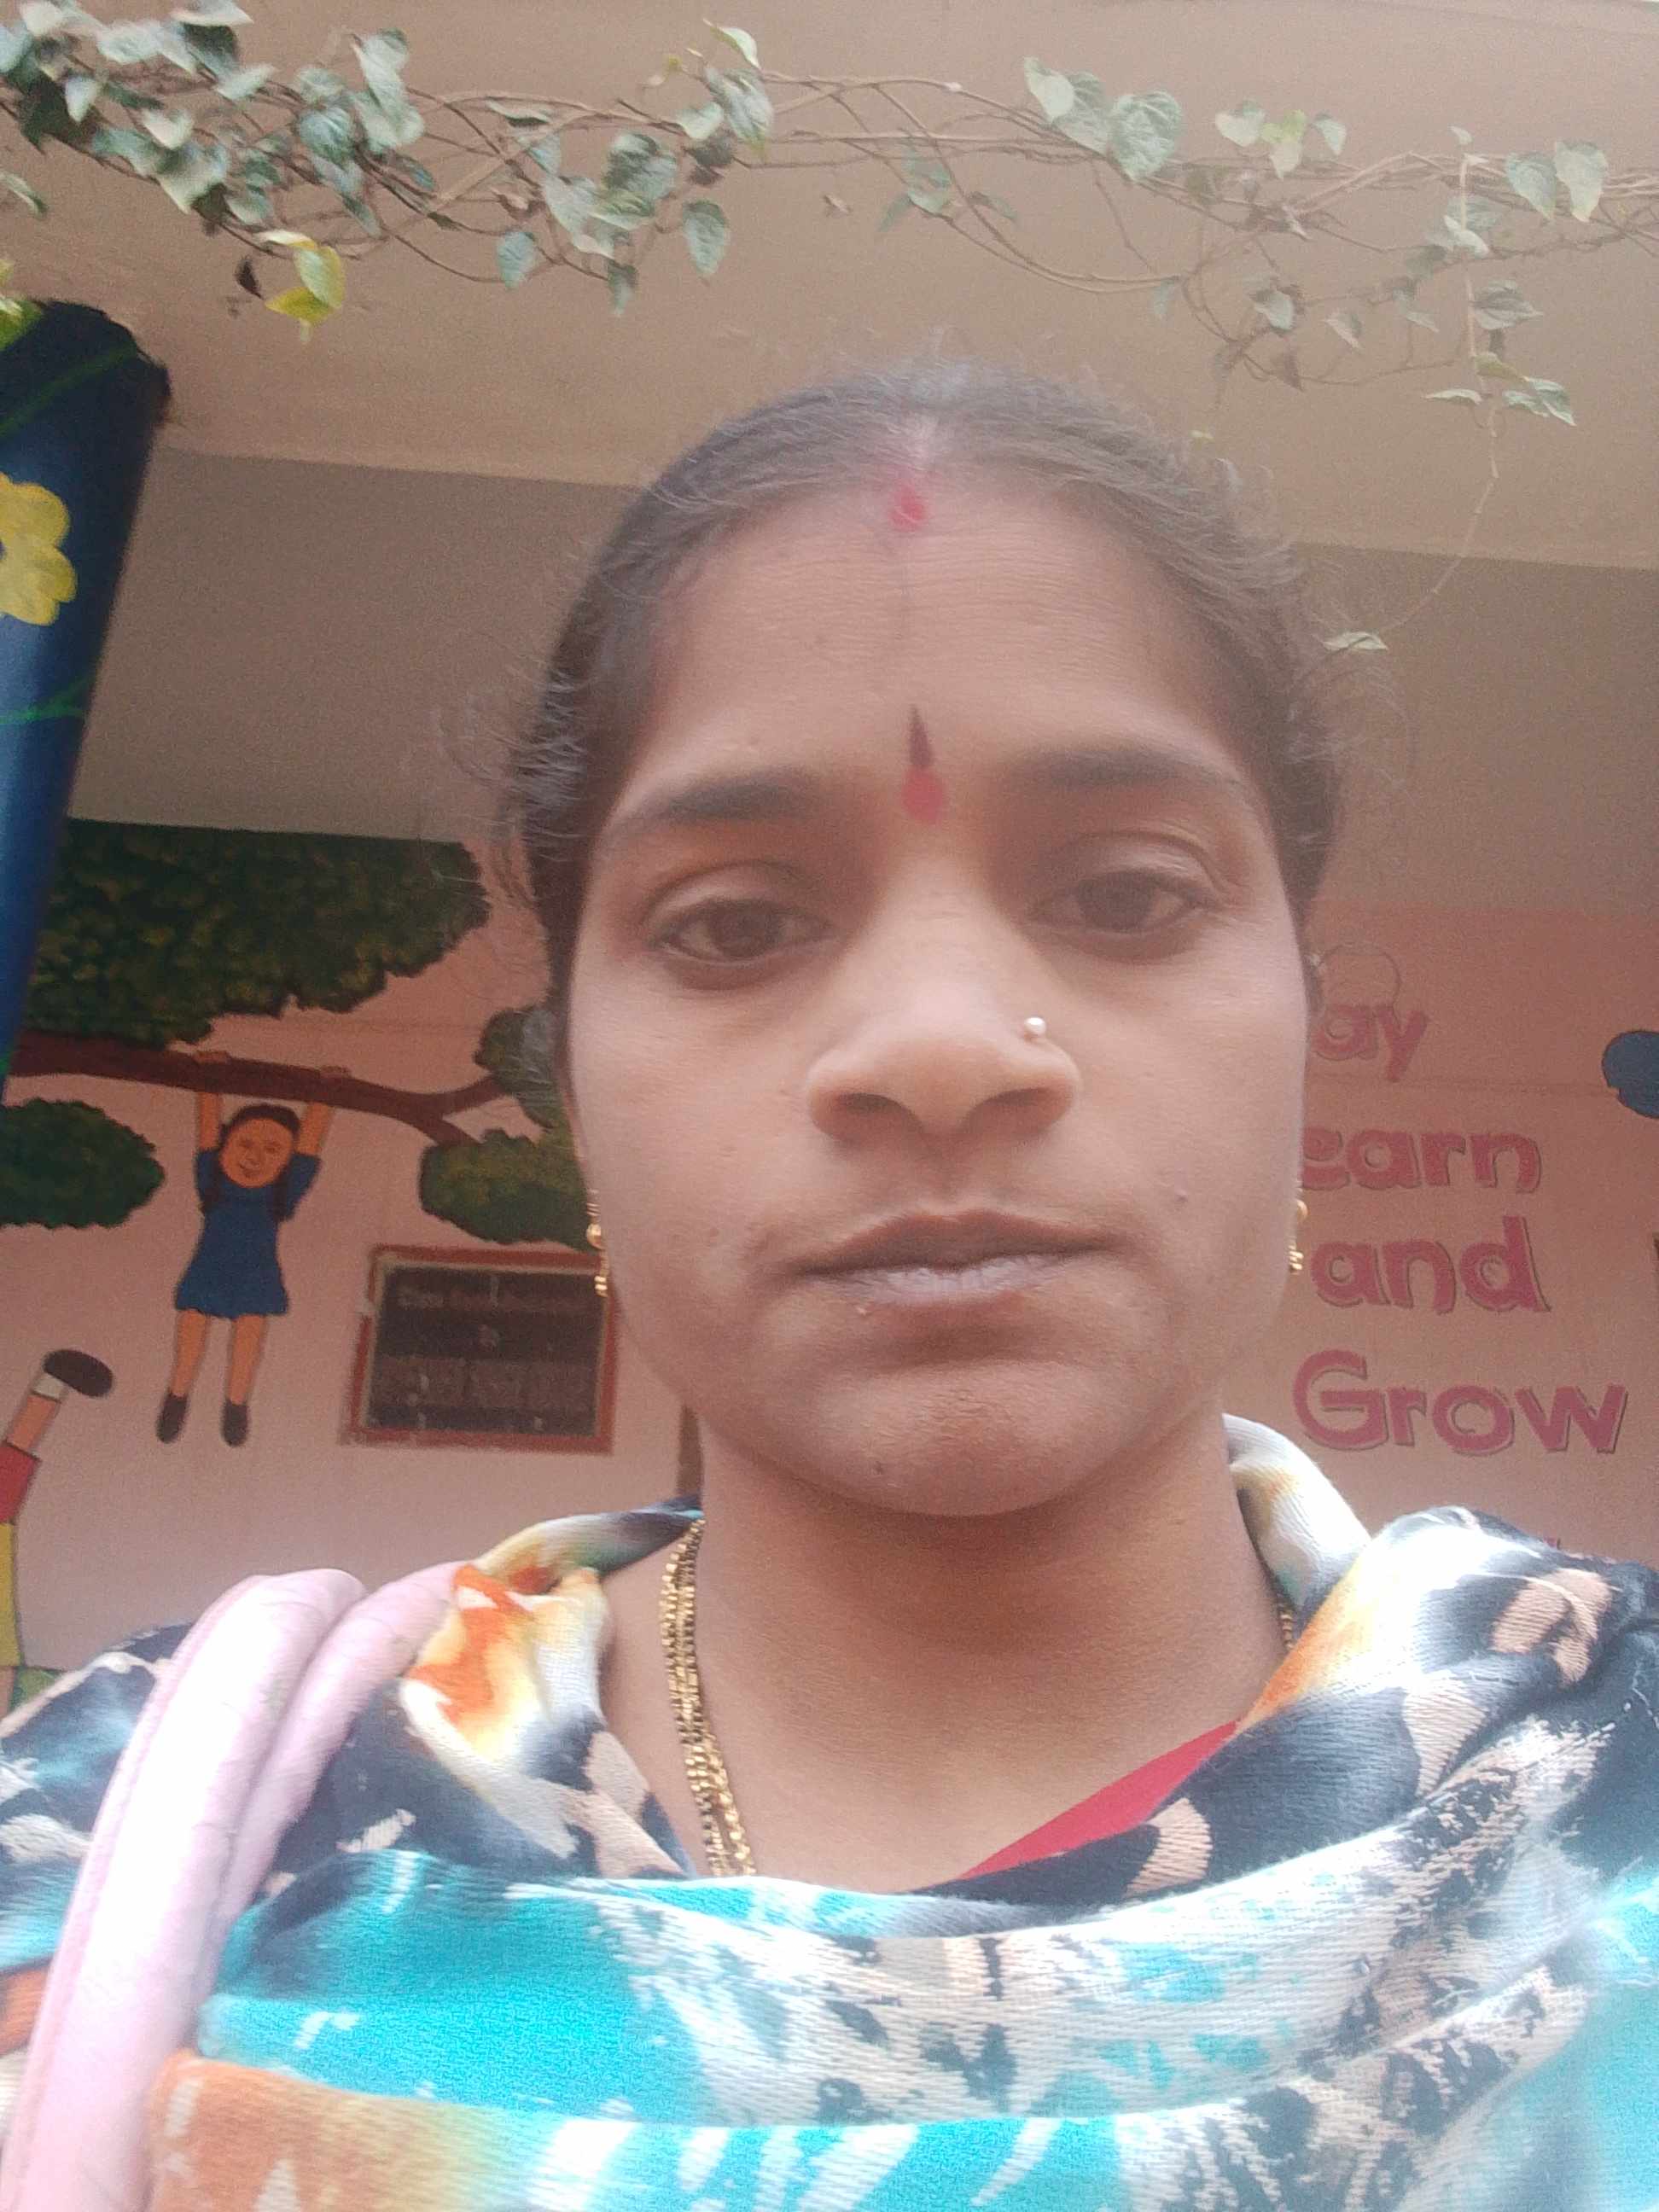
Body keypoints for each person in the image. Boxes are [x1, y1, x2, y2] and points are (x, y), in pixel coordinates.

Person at [0, 362, 1653, 2210]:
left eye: (1125, 894)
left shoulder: (1615, 1761)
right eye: (734, 923)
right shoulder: (132, 1832)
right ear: (572, 1084)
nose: (939, 1048)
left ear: (1305, 1028)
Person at [155, 1053, 341, 1447]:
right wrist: (210, 1078)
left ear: (286, 1162)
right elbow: (207, 1130)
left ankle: (236, 1404)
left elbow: (308, 1147)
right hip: (209, 1265)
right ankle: (177, 1395)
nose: (254, 1157)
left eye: (273, 1150)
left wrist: (324, 1093)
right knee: (192, 1329)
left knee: (248, 1336)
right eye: (244, 1144)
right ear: (226, 1146)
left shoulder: (281, 1193)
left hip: (256, 1270)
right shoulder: (212, 1181)